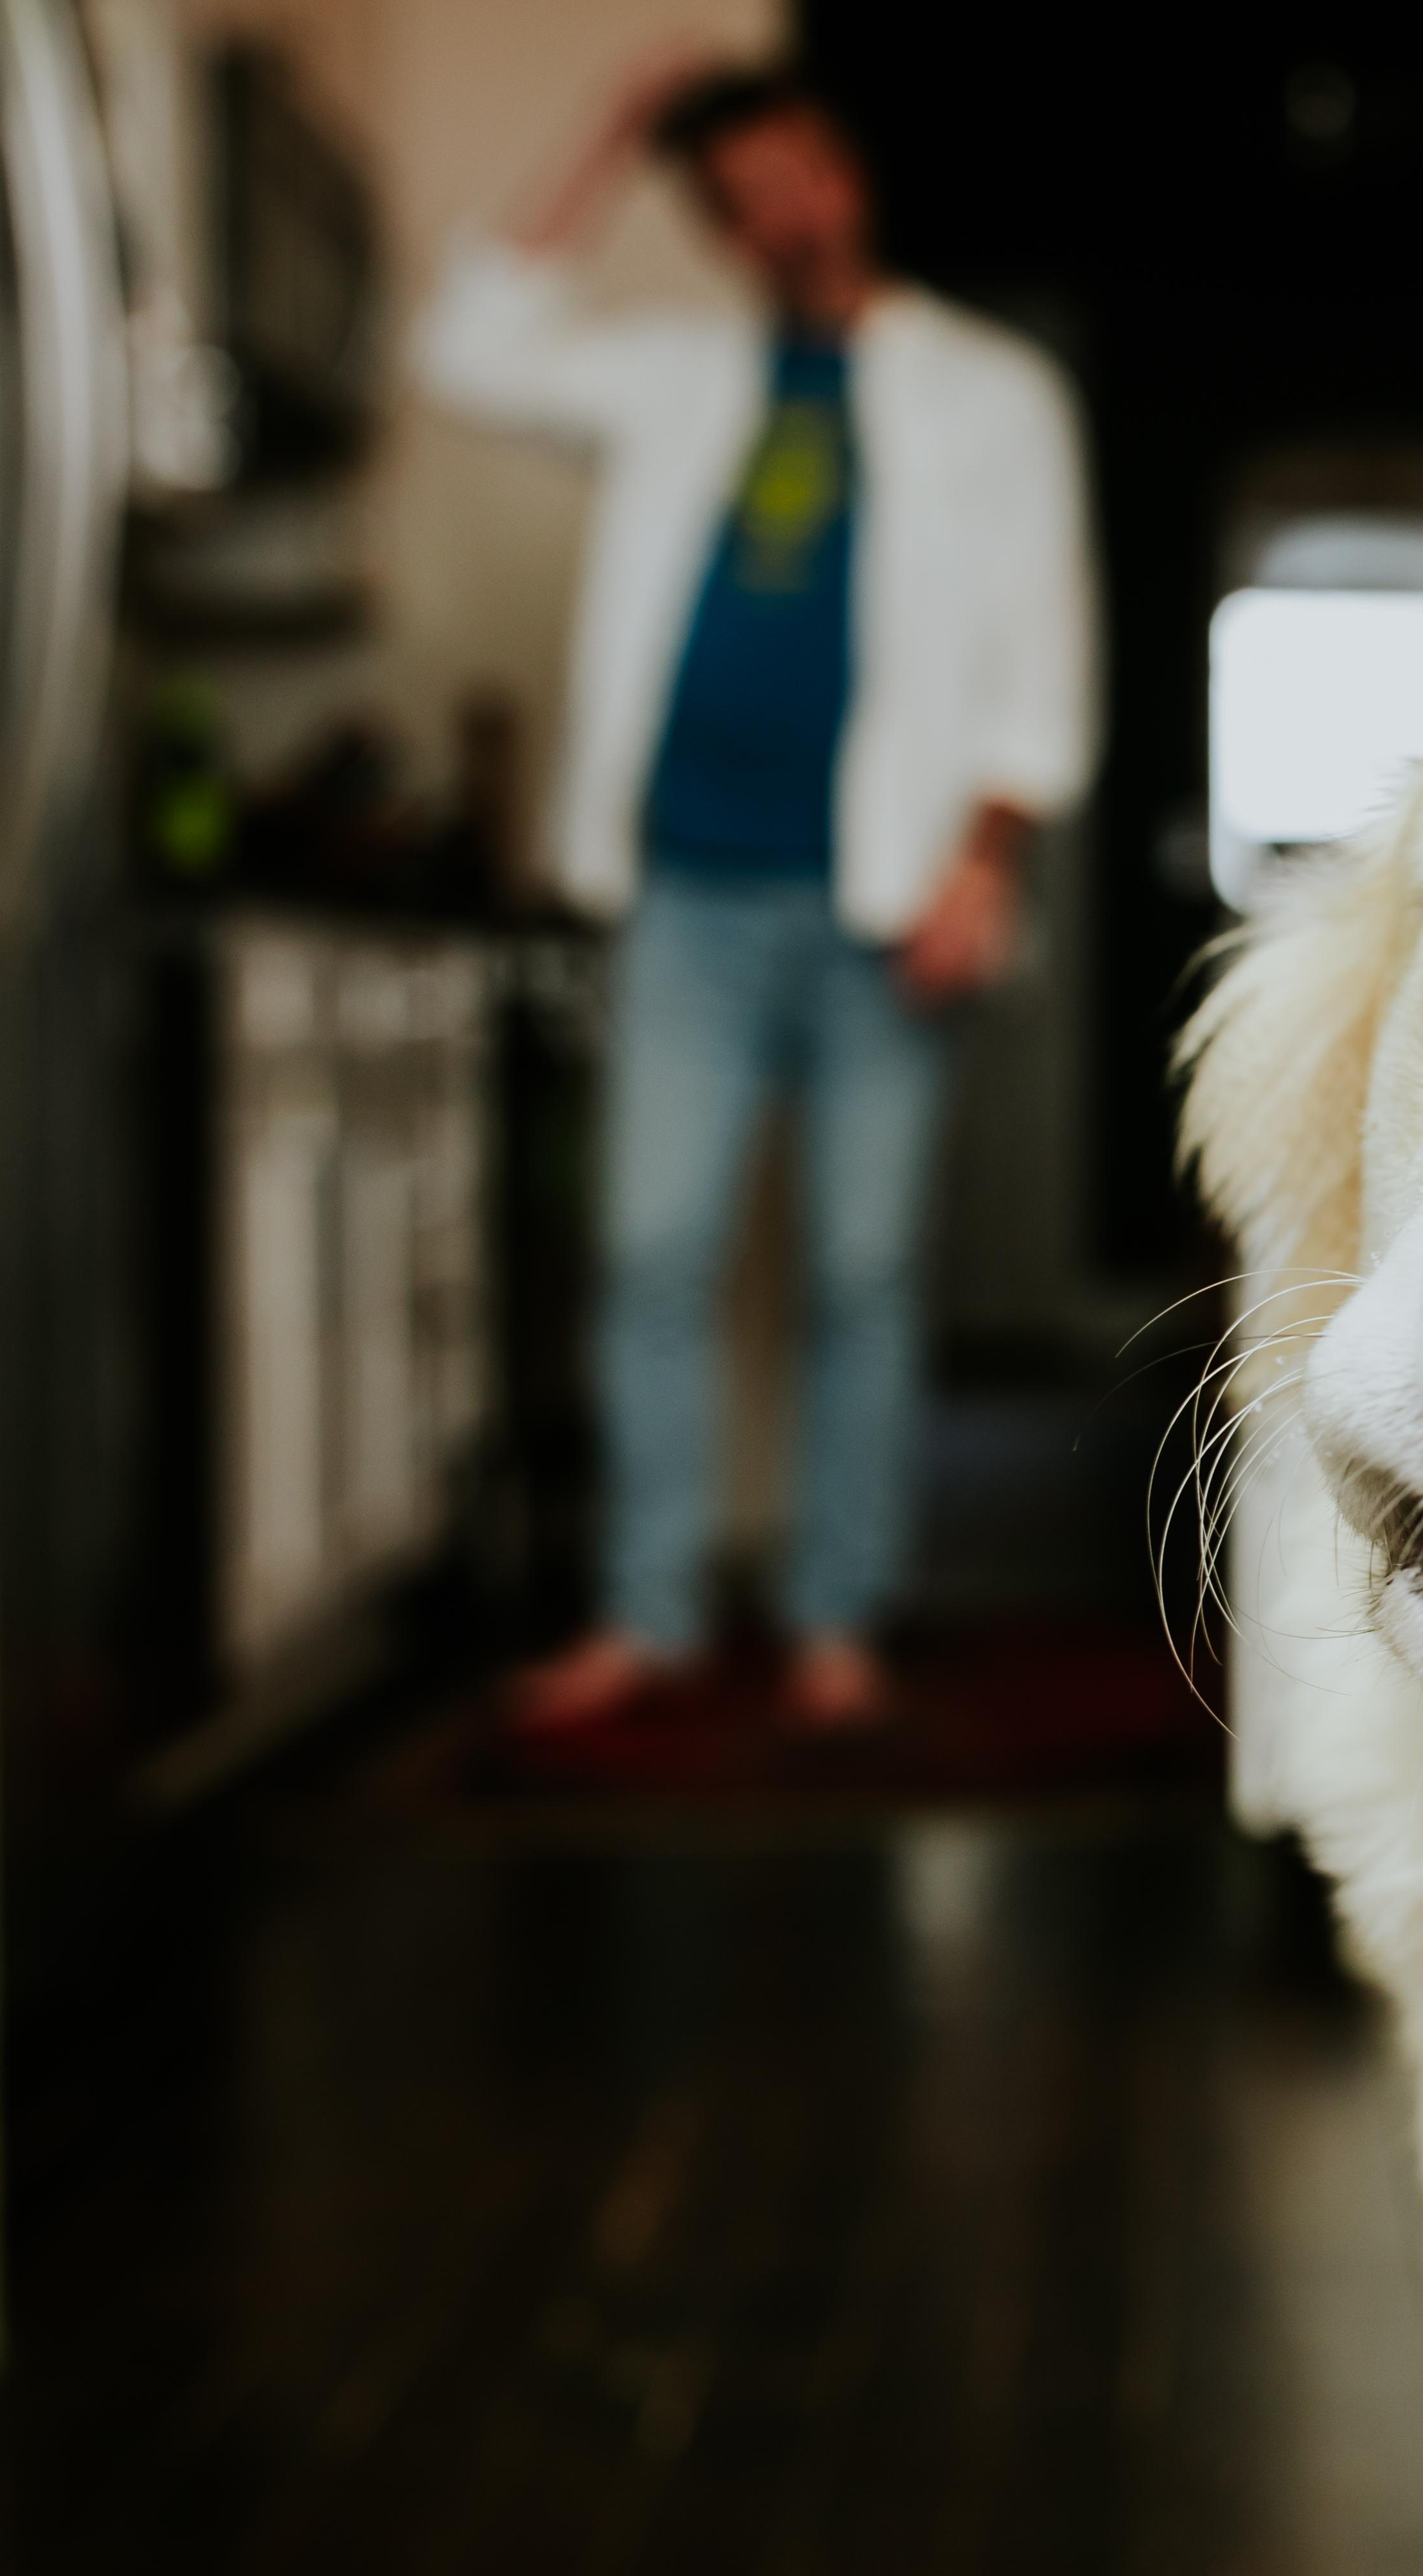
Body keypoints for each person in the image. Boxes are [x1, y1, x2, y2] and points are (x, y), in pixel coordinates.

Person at [418, 54, 1095, 1731]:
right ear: (719, 227)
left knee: (860, 1275)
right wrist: (600, 130)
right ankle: (644, 1614)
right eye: (739, 195)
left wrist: (978, 866)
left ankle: (834, 1621)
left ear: (846, 171)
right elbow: (464, 350)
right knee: (651, 1252)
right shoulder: (670, 377)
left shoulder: (988, 391)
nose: (779, 206)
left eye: (796, 169)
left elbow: (1042, 651)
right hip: (686, 899)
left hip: (882, 910)